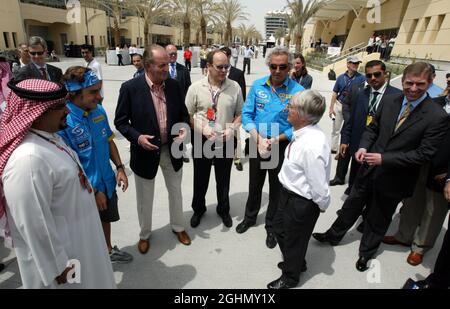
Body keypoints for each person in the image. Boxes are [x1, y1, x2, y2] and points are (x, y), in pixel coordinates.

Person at [313, 62, 449, 272]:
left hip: (396, 178)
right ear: (402, 81)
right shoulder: (390, 101)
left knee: (378, 217)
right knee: (351, 205)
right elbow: (373, 128)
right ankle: (333, 235)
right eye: (409, 83)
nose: (413, 89)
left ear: (430, 83)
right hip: (368, 168)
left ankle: (366, 253)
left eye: (420, 84)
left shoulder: (437, 116)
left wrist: (384, 159)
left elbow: (424, 154)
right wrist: (363, 147)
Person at [0, 79, 116, 288]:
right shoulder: (28, 160)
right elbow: (33, 222)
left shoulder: (48, 138)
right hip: (65, 262)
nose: (67, 112)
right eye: (59, 107)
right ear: (36, 114)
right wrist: (57, 266)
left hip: (81, 242)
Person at [115, 45, 192, 254]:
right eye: (162, 65)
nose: (167, 68)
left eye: (168, 64)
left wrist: (184, 129)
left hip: (171, 150)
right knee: (145, 197)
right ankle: (145, 234)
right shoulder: (130, 88)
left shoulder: (175, 86)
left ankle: (178, 227)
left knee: (176, 193)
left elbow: (184, 116)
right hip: (144, 153)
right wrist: (138, 137)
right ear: (148, 66)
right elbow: (121, 122)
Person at [59, 66, 133, 264]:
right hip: (84, 191)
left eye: (99, 90)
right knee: (85, 231)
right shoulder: (63, 121)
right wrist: (94, 190)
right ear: (74, 93)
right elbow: (69, 164)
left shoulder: (98, 111)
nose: (99, 97)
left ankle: (108, 250)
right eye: (93, 92)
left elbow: (108, 140)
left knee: (106, 218)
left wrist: (119, 168)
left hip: (106, 182)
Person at [236, 47, 305, 249]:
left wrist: (276, 139)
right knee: (254, 184)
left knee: (277, 189)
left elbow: (300, 124)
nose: (277, 71)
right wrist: (257, 138)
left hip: (281, 145)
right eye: (273, 66)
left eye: (282, 67)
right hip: (257, 141)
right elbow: (247, 115)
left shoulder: (298, 92)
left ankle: (272, 226)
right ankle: (249, 218)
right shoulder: (258, 86)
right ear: (269, 66)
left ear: (289, 67)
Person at [383, 73, 450, 266]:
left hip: (442, 169)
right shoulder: (433, 103)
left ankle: (420, 247)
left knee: (433, 210)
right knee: (412, 201)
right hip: (418, 162)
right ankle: (403, 236)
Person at [268, 90, 331, 289]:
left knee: (295, 239)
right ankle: (295, 261)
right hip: (287, 194)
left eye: (292, 107)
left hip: (301, 202)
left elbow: (318, 184)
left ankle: (290, 277)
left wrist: (321, 205)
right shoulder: (302, 133)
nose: (288, 108)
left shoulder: (311, 145)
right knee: (280, 230)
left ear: (302, 116)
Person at [187, 50, 244, 228]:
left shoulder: (235, 87)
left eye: (227, 66)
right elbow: (187, 115)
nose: (224, 70)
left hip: (225, 140)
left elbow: (241, 113)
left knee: (223, 178)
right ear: (209, 66)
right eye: (220, 67)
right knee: (200, 177)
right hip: (202, 139)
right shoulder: (195, 88)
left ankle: (223, 210)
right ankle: (198, 209)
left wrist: (231, 128)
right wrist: (202, 129)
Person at [331, 60, 402, 196]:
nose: (373, 78)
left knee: (373, 184)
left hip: (380, 148)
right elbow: (350, 120)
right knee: (355, 180)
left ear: (385, 74)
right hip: (358, 145)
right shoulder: (360, 93)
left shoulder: (397, 96)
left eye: (377, 74)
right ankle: (350, 207)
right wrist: (345, 140)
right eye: (369, 76)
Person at [329, 56, 365, 155]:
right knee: (336, 128)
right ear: (348, 64)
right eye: (354, 63)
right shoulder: (340, 77)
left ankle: (343, 148)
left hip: (352, 107)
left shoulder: (361, 78)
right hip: (340, 105)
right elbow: (335, 93)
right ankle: (334, 148)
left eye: (357, 63)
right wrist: (331, 108)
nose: (356, 65)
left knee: (347, 129)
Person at [221, 46, 247, 171]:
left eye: (225, 55)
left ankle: (237, 159)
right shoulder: (216, 71)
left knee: (236, 136)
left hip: (235, 113)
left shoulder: (238, 73)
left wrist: (238, 114)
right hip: (221, 111)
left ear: (230, 56)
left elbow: (243, 94)